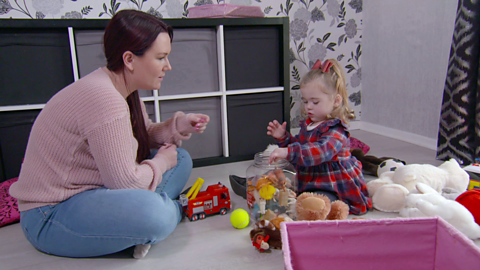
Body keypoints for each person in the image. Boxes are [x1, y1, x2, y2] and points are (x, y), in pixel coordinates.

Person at [9, 9, 210, 258]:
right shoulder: (104, 98)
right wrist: (159, 162)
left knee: (180, 159)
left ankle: (133, 223)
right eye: (161, 57)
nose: (168, 66)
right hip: (51, 214)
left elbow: (142, 134)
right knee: (158, 214)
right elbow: (124, 182)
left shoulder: (119, 87)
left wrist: (177, 126)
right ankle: (166, 212)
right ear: (129, 59)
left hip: (95, 191)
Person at [266, 59, 371, 215]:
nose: (308, 106)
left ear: (336, 101)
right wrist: (284, 139)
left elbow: (319, 151)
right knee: (285, 190)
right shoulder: (308, 125)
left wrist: (287, 152)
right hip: (311, 180)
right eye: (306, 101)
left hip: (332, 184)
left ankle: (322, 210)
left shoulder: (337, 130)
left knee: (317, 205)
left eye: (315, 102)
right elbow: (302, 148)